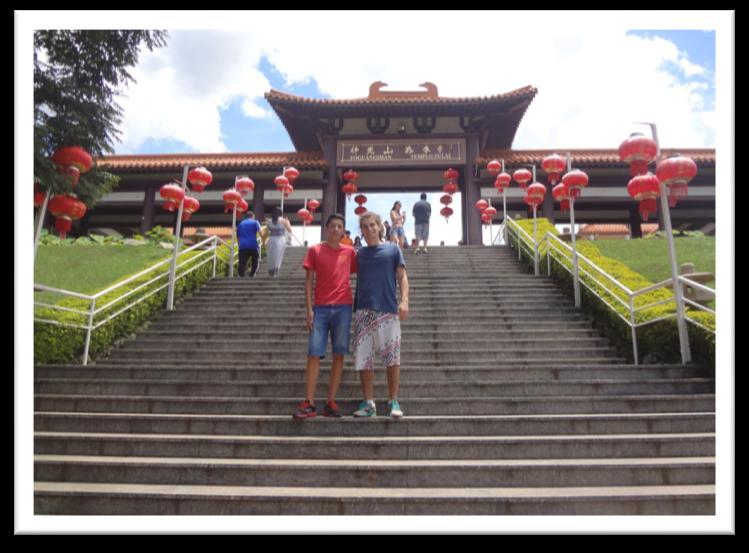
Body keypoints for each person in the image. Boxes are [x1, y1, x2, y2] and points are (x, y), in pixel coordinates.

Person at [293, 213, 358, 420]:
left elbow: (360, 270)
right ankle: (310, 402)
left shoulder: (350, 252)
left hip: (343, 308)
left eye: (340, 226)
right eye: (333, 226)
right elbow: (308, 282)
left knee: (339, 354)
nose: (336, 230)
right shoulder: (315, 250)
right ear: (327, 228)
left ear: (343, 231)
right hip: (320, 308)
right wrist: (309, 309)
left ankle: (331, 401)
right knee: (314, 353)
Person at [352, 211, 409, 420]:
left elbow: (402, 277)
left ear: (380, 227)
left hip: (387, 308)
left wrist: (404, 301)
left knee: (392, 357)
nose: (369, 229)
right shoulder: (358, 254)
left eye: (372, 225)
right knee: (364, 359)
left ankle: (393, 400)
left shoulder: (393, 249)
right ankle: (369, 403)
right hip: (362, 310)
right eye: (365, 226)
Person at [266, 207, 292, 278]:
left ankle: (272, 270)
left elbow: (266, 233)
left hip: (271, 240)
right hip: (280, 240)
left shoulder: (269, 221)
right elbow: (290, 230)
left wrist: (263, 241)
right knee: (277, 256)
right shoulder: (284, 220)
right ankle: (275, 270)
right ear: (281, 213)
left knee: (271, 256)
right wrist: (287, 222)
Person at [236, 211, 261, 278]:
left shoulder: (240, 224)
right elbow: (260, 233)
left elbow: (238, 237)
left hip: (243, 246)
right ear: (252, 216)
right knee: (255, 260)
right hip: (253, 245)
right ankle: (252, 274)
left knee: (242, 262)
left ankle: (241, 275)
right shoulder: (255, 222)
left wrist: (239, 246)